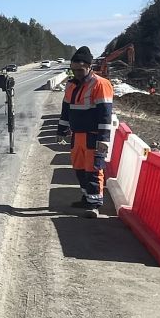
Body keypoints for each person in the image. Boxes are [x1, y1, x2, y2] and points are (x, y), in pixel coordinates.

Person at [59, 45, 115, 216]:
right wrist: (61, 130)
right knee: (79, 168)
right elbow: (66, 109)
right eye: (73, 70)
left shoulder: (100, 84)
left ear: (89, 67)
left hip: (93, 136)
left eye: (80, 70)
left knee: (93, 169)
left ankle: (95, 204)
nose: (76, 73)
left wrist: (103, 138)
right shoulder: (71, 85)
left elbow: (105, 113)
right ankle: (86, 198)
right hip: (77, 135)